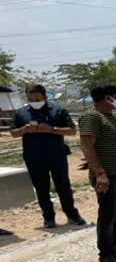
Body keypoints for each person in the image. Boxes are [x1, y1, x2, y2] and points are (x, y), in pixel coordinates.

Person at [10, 84, 86, 229]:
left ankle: (72, 215)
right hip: (34, 157)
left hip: (57, 155)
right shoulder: (21, 113)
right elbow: (13, 133)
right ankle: (48, 218)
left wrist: (52, 129)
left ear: (44, 97)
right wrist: (24, 129)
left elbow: (72, 131)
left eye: (37, 99)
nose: (35, 102)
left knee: (63, 186)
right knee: (41, 188)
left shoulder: (58, 110)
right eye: (31, 99)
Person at [79, 85, 116, 262]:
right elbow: (87, 144)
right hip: (107, 176)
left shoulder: (111, 117)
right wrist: (99, 172)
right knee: (107, 216)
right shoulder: (92, 117)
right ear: (107, 98)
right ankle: (106, 254)